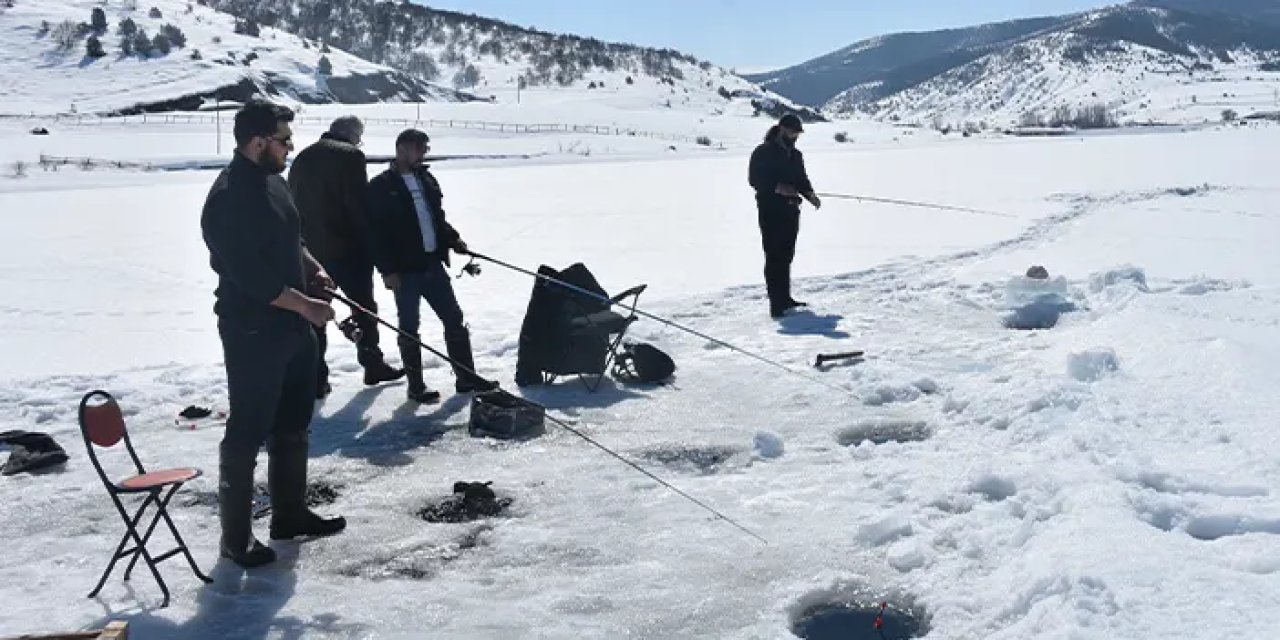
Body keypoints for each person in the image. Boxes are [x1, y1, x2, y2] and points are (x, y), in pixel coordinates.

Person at [200, 100, 347, 569]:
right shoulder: (226, 200)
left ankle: (289, 515)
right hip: (253, 331)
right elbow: (255, 280)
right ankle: (235, 539)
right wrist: (307, 306)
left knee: (293, 423)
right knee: (247, 431)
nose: (290, 147)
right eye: (284, 140)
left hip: (294, 326)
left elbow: (292, 240)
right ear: (257, 142)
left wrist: (314, 270)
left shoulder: (275, 183)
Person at [365, 128, 498, 403]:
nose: (425, 152)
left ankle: (466, 377)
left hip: (433, 265)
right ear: (402, 149)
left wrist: (453, 240)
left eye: (426, 147)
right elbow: (374, 236)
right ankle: (416, 386)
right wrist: (387, 271)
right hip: (404, 271)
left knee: (454, 320)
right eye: (420, 148)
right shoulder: (380, 187)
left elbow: (435, 218)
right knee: (409, 327)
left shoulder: (426, 179)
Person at [287, 115, 404, 398]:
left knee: (316, 314)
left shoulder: (302, 157)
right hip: (347, 249)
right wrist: (378, 252)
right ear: (352, 135)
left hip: (310, 252)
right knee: (363, 308)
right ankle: (372, 363)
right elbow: (358, 208)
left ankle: (316, 379)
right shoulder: (351, 157)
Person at [748, 113, 821, 319]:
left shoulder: (795, 155)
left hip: (791, 210)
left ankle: (785, 297)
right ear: (781, 129)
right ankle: (776, 304)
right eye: (792, 131)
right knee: (774, 256)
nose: (795, 136)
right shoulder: (763, 152)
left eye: (798, 133)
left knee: (787, 255)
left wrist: (810, 195)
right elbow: (755, 179)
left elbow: (801, 180)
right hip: (770, 209)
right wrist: (778, 187)